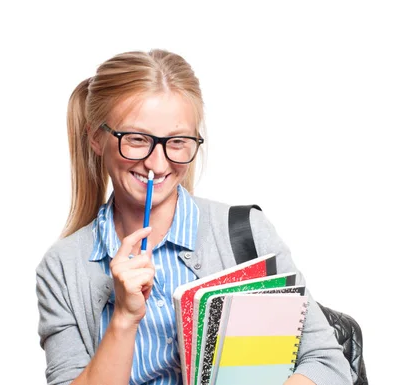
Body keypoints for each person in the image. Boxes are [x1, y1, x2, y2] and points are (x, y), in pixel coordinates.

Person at [36, 49, 352, 385]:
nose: (157, 165)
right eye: (137, 139)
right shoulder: (61, 268)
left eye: (177, 142)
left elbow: (327, 363)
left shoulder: (245, 234)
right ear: (96, 138)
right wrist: (124, 318)